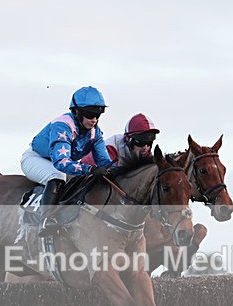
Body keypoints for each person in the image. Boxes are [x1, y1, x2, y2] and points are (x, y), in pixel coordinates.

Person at [22, 86, 116, 236]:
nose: (94, 119)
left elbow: (104, 160)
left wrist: (116, 171)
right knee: (57, 176)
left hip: (58, 164)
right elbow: (61, 162)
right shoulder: (63, 125)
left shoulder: (95, 132)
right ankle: (46, 219)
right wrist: (90, 169)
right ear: (76, 112)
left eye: (98, 114)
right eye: (90, 114)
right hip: (36, 159)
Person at [81, 113, 160, 166]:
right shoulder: (111, 148)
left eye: (149, 143)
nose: (146, 147)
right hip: (83, 170)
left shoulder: (145, 152)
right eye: (141, 142)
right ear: (127, 139)